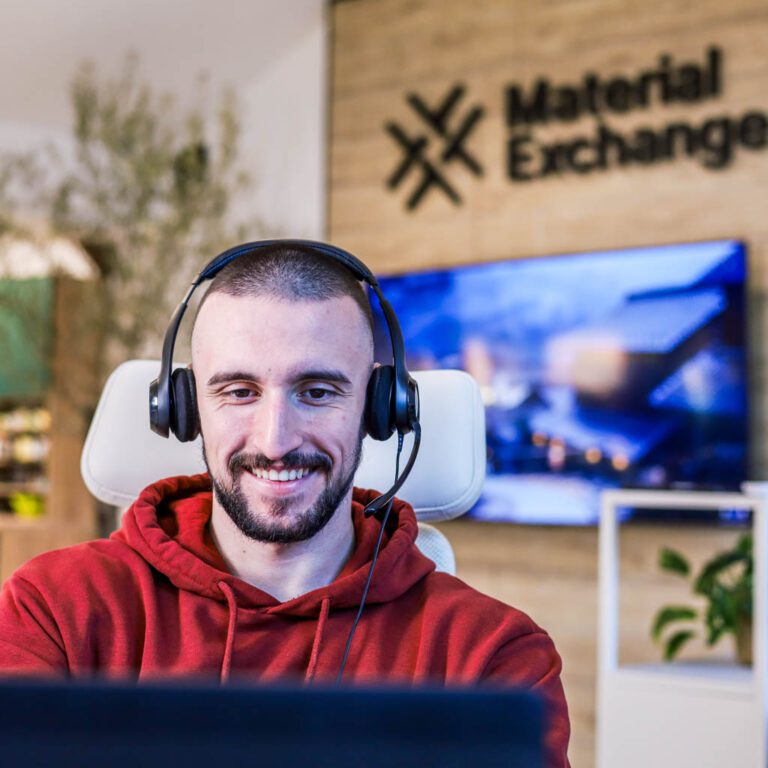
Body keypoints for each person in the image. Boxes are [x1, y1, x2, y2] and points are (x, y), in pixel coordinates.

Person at [0, 242, 570, 766]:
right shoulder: (53, 610)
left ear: (378, 407)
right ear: (185, 408)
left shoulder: (490, 655)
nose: (276, 440)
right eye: (239, 392)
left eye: (317, 392)